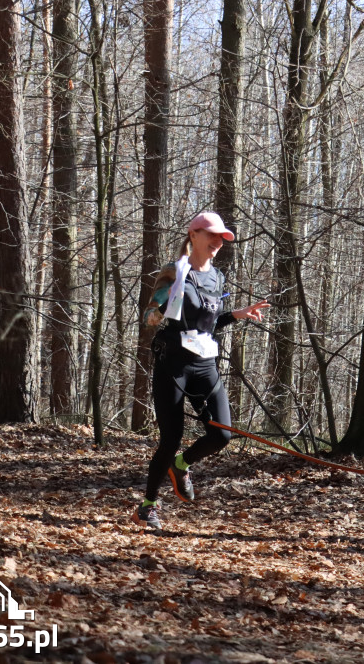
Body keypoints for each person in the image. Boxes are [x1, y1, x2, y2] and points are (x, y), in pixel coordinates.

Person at [133, 211, 270, 529]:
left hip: (205, 362)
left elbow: (208, 323)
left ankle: (181, 466)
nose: (218, 242)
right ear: (193, 235)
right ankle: (148, 506)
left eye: (222, 238)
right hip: (173, 363)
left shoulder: (218, 277)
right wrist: (166, 304)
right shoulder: (174, 271)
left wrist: (237, 314)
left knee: (222, 434)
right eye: (212, 235)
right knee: (171, 438)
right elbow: (149, 318)